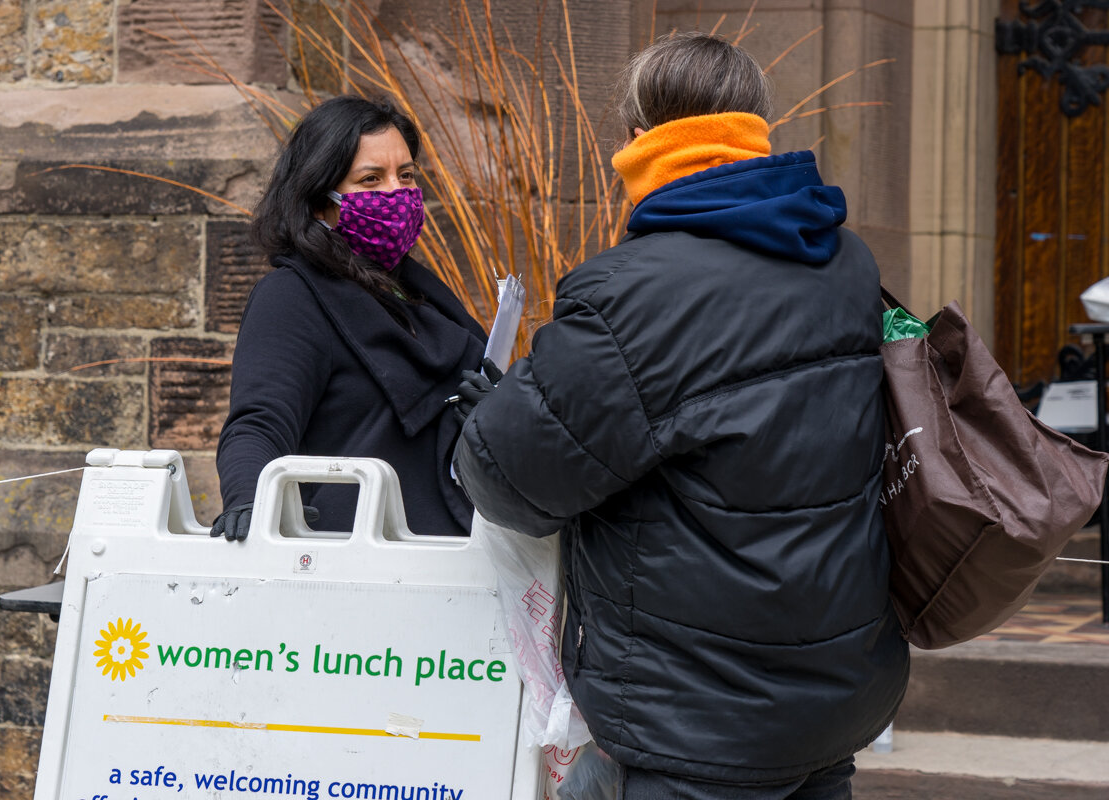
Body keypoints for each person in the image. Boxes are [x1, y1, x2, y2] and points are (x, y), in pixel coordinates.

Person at [452, 33, 909, 799]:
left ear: (637, 141)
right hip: (834, 698)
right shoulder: (847, 263)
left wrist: (493, 415)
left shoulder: (629, 295)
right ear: (756, 132)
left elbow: (509, 487)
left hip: (696, 722)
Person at [213, 95, 488, 541]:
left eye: (407, 175)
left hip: (456, 553)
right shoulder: (292, 296)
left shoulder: (416, 291)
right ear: (320, 200)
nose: (397, 193)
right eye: (371, 179)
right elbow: (260, 422)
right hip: (354, 561)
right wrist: (250, 498)